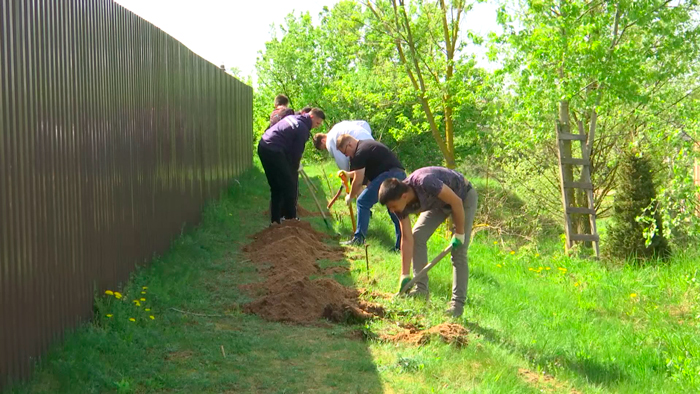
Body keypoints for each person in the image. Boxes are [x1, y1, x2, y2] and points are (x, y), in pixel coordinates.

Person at [378, 167, 478, 318]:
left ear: (404, 196)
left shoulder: (425, 182)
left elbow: (456, 202)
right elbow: (406, 238)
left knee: (458, 251)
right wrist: (404, 274)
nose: (392, 210)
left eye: (392, 206)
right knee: (417, 236)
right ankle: (421, 290)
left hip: (462, 197)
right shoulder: (399, 206)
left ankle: (457, 306)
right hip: (438, 204)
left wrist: (460, 233)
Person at [336, 134, 405, 250]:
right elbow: (360, 172)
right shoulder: (365, 146)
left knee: (362, 201)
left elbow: (358, 180)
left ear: (349, 144)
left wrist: (350, 196)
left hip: (389, 176)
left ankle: (359, 239)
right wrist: (348, 174)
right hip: (399, 175)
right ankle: (400, 246)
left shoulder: (360, 152)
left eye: (345, 152)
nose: (347, 155)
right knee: (394, 210)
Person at [258, 108, 325, 224]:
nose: (317, 126)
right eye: (317, 123)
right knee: (290, 184)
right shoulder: (303, 129)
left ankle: (275, 221)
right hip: (274, 150)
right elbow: (295, 154)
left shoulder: (293, 117)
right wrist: (295, 167)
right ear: (312, 117)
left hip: (263, 146)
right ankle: (290, 220)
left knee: (276, 187)